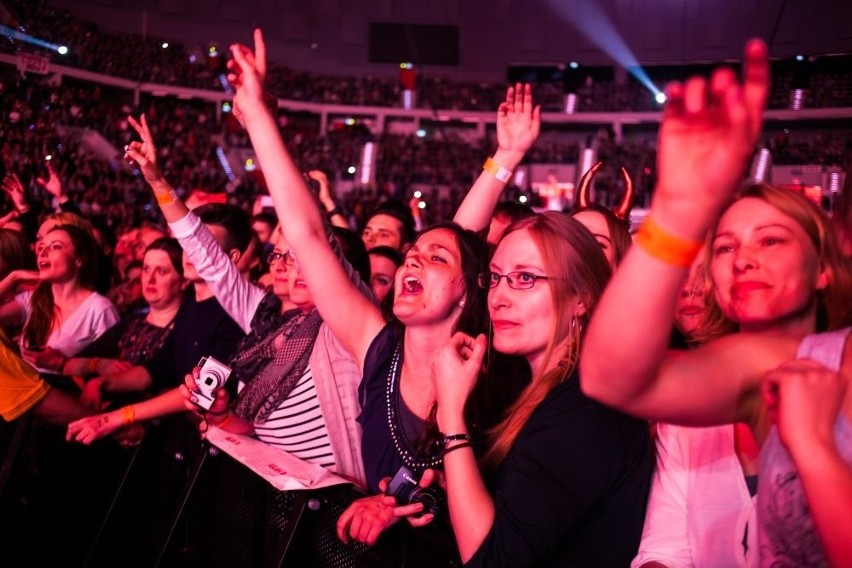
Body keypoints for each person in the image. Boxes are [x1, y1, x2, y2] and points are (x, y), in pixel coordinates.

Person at [581, 39, 852, 566]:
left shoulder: (831, 360)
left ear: (823, 269)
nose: (742, 259)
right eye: (725, 247)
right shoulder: (769, 368)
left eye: (770, 240)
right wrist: (678, 213)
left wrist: (814, 448)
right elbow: (608, 378)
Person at [432, 212, 653, 566]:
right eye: (496, 277)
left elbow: (491, 562)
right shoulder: (535, 389)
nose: (498, 298)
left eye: (525, 278)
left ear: (582, 297)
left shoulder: (586, 412)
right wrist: (455, 482)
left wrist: (451, 417)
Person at [0, 224, 119, 369]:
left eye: (55, 247)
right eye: (41, 247)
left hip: (69, 391)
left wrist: (62, 363)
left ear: (79, 259)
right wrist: (14, 277)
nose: (43, 252)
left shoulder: (99, 308)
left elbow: (113, 368)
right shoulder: (33, 299)